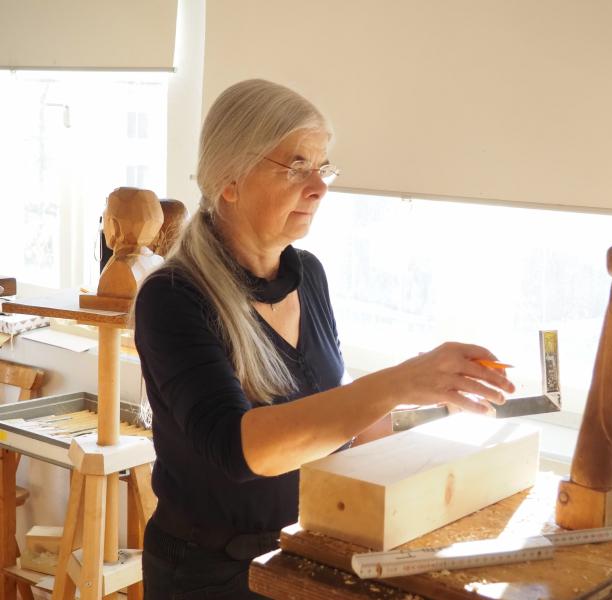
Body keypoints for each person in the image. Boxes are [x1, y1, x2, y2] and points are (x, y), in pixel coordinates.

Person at [134, 79, 514, 599]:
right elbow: (242, 449)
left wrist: (437, 402)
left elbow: (338, 426)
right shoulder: (174, 297)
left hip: (301, 549)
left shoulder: (308, 275)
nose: (320, 188)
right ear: (229, 179)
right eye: (297, 167)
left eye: (323, 167)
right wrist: (399, 381)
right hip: (208, 574)